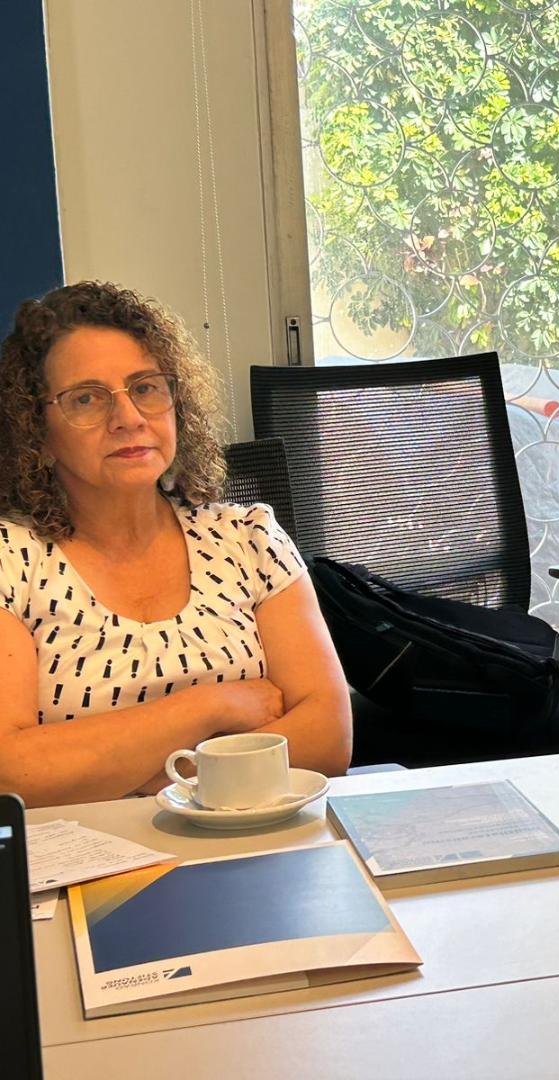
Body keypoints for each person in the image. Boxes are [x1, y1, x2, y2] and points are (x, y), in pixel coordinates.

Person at [0, 282, 351, 807]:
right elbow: (12, 773)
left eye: (145, 388)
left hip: (258, 840)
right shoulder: (11, 559)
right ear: (37, 432)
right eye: (86, 398)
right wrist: (211, 707)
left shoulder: (249, 538)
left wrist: (154, 776)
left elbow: (328, 738)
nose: (129, 418)